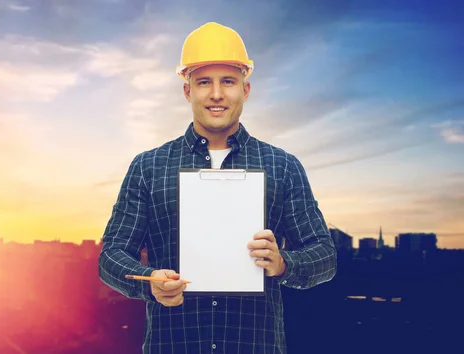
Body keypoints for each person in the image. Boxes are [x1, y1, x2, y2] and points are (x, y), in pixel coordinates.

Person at [98, 22, 337, 354]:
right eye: (203, 82)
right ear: (187, 91)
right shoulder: (148, 167)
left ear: (246, 89)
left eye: (228, 81)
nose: (216, 94)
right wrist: (150, 281)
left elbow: (324, 256)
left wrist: (283, 264)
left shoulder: (282, 167)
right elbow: (111, 256)